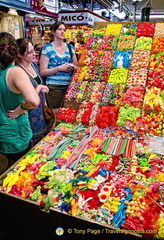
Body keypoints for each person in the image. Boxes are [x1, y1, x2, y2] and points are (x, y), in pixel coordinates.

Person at [0, 32, 40, 168]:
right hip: (16, 134)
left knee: (10, 167)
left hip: (4, 133)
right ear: (15, 51)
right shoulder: (15, 72)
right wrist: (22, 108)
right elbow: (34, 101)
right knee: (21, 170)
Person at [13, 38, 53, 146]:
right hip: (30, 111)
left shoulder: (33, 65)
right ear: (20, 55)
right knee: (34, 141)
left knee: (43, 138)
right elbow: (25, 96)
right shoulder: (18, 71)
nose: (34, 54)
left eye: (33, 50)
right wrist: (39, 88)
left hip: (40, 109)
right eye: (29, 52)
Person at [39, 21, 78, 119]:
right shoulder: (47, 49)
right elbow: (42, 72)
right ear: (53, 32)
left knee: (69, 115)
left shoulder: (70, 48)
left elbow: (77, 66)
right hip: (54, 87)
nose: (62, 32)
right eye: (59, 29)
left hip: (70, 87)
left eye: (64, 30)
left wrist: (72, 67)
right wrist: (59, 68)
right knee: (56, 116)